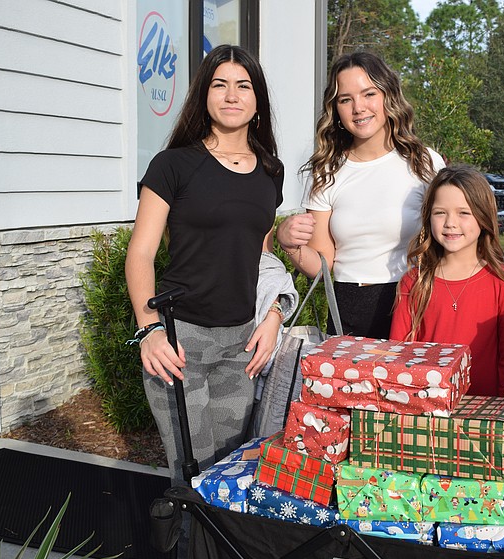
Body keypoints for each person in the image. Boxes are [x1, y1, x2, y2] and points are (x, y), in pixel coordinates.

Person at [125, 44, 286, 486]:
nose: (231, 95)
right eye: (220, 85)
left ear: (257, 102)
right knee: (191, 476)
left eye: (243, 85)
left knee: (233, 472)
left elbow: (261, 255)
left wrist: (273, 314)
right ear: (204, 95)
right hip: (180, 343)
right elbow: (140, 253)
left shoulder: (272, 172)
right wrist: (149, 329)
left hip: (241, 345)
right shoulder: (173, 165)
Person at [276, 51, 445, 339]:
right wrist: (288, 244)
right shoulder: (326, 171)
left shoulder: (426, 163)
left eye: (368, 94)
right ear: (336, 109)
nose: (358, 108)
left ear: (387, 96)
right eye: (345, 99)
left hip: (414, 302)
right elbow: (322, 265)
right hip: (349, 310)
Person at [390, 165, 504, 397]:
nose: (450, 223)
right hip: (427, 415)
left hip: (484, 418)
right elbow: (398, 357)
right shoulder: (414, 282)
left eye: (464, 213)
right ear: (428, 216)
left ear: (483, 217)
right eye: (440, 212)